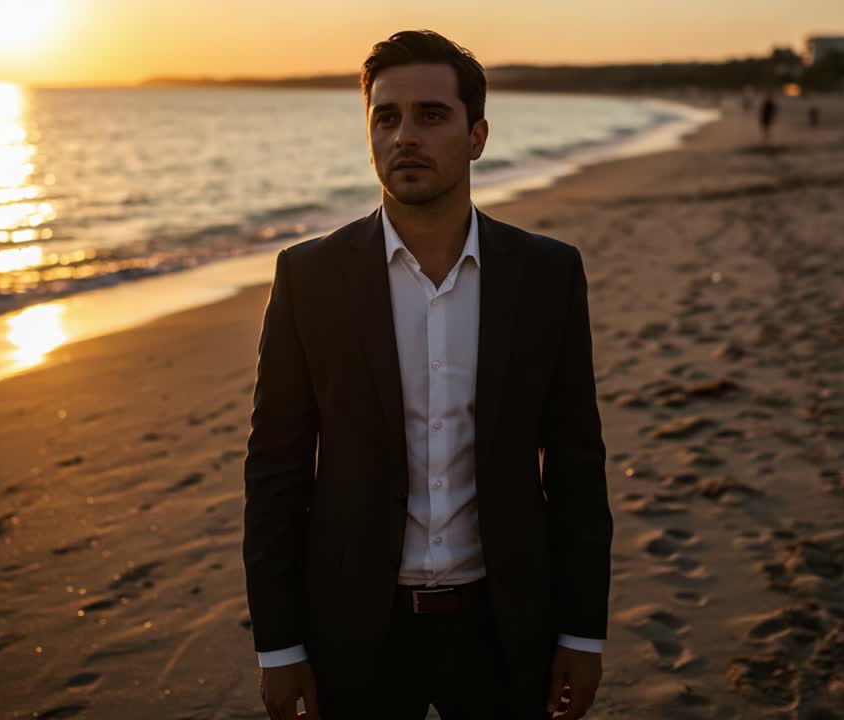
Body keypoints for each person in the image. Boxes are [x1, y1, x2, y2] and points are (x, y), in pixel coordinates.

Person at [242, 29, 613, 720]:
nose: (404, 135)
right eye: (386, 116)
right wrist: (280, 647)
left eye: (430, 115)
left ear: (476, 136)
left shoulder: (546, 275)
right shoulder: (309, 277)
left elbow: (575, 464)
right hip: (356, 631)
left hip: (505, 626)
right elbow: (275, 470)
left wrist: (582, 630)